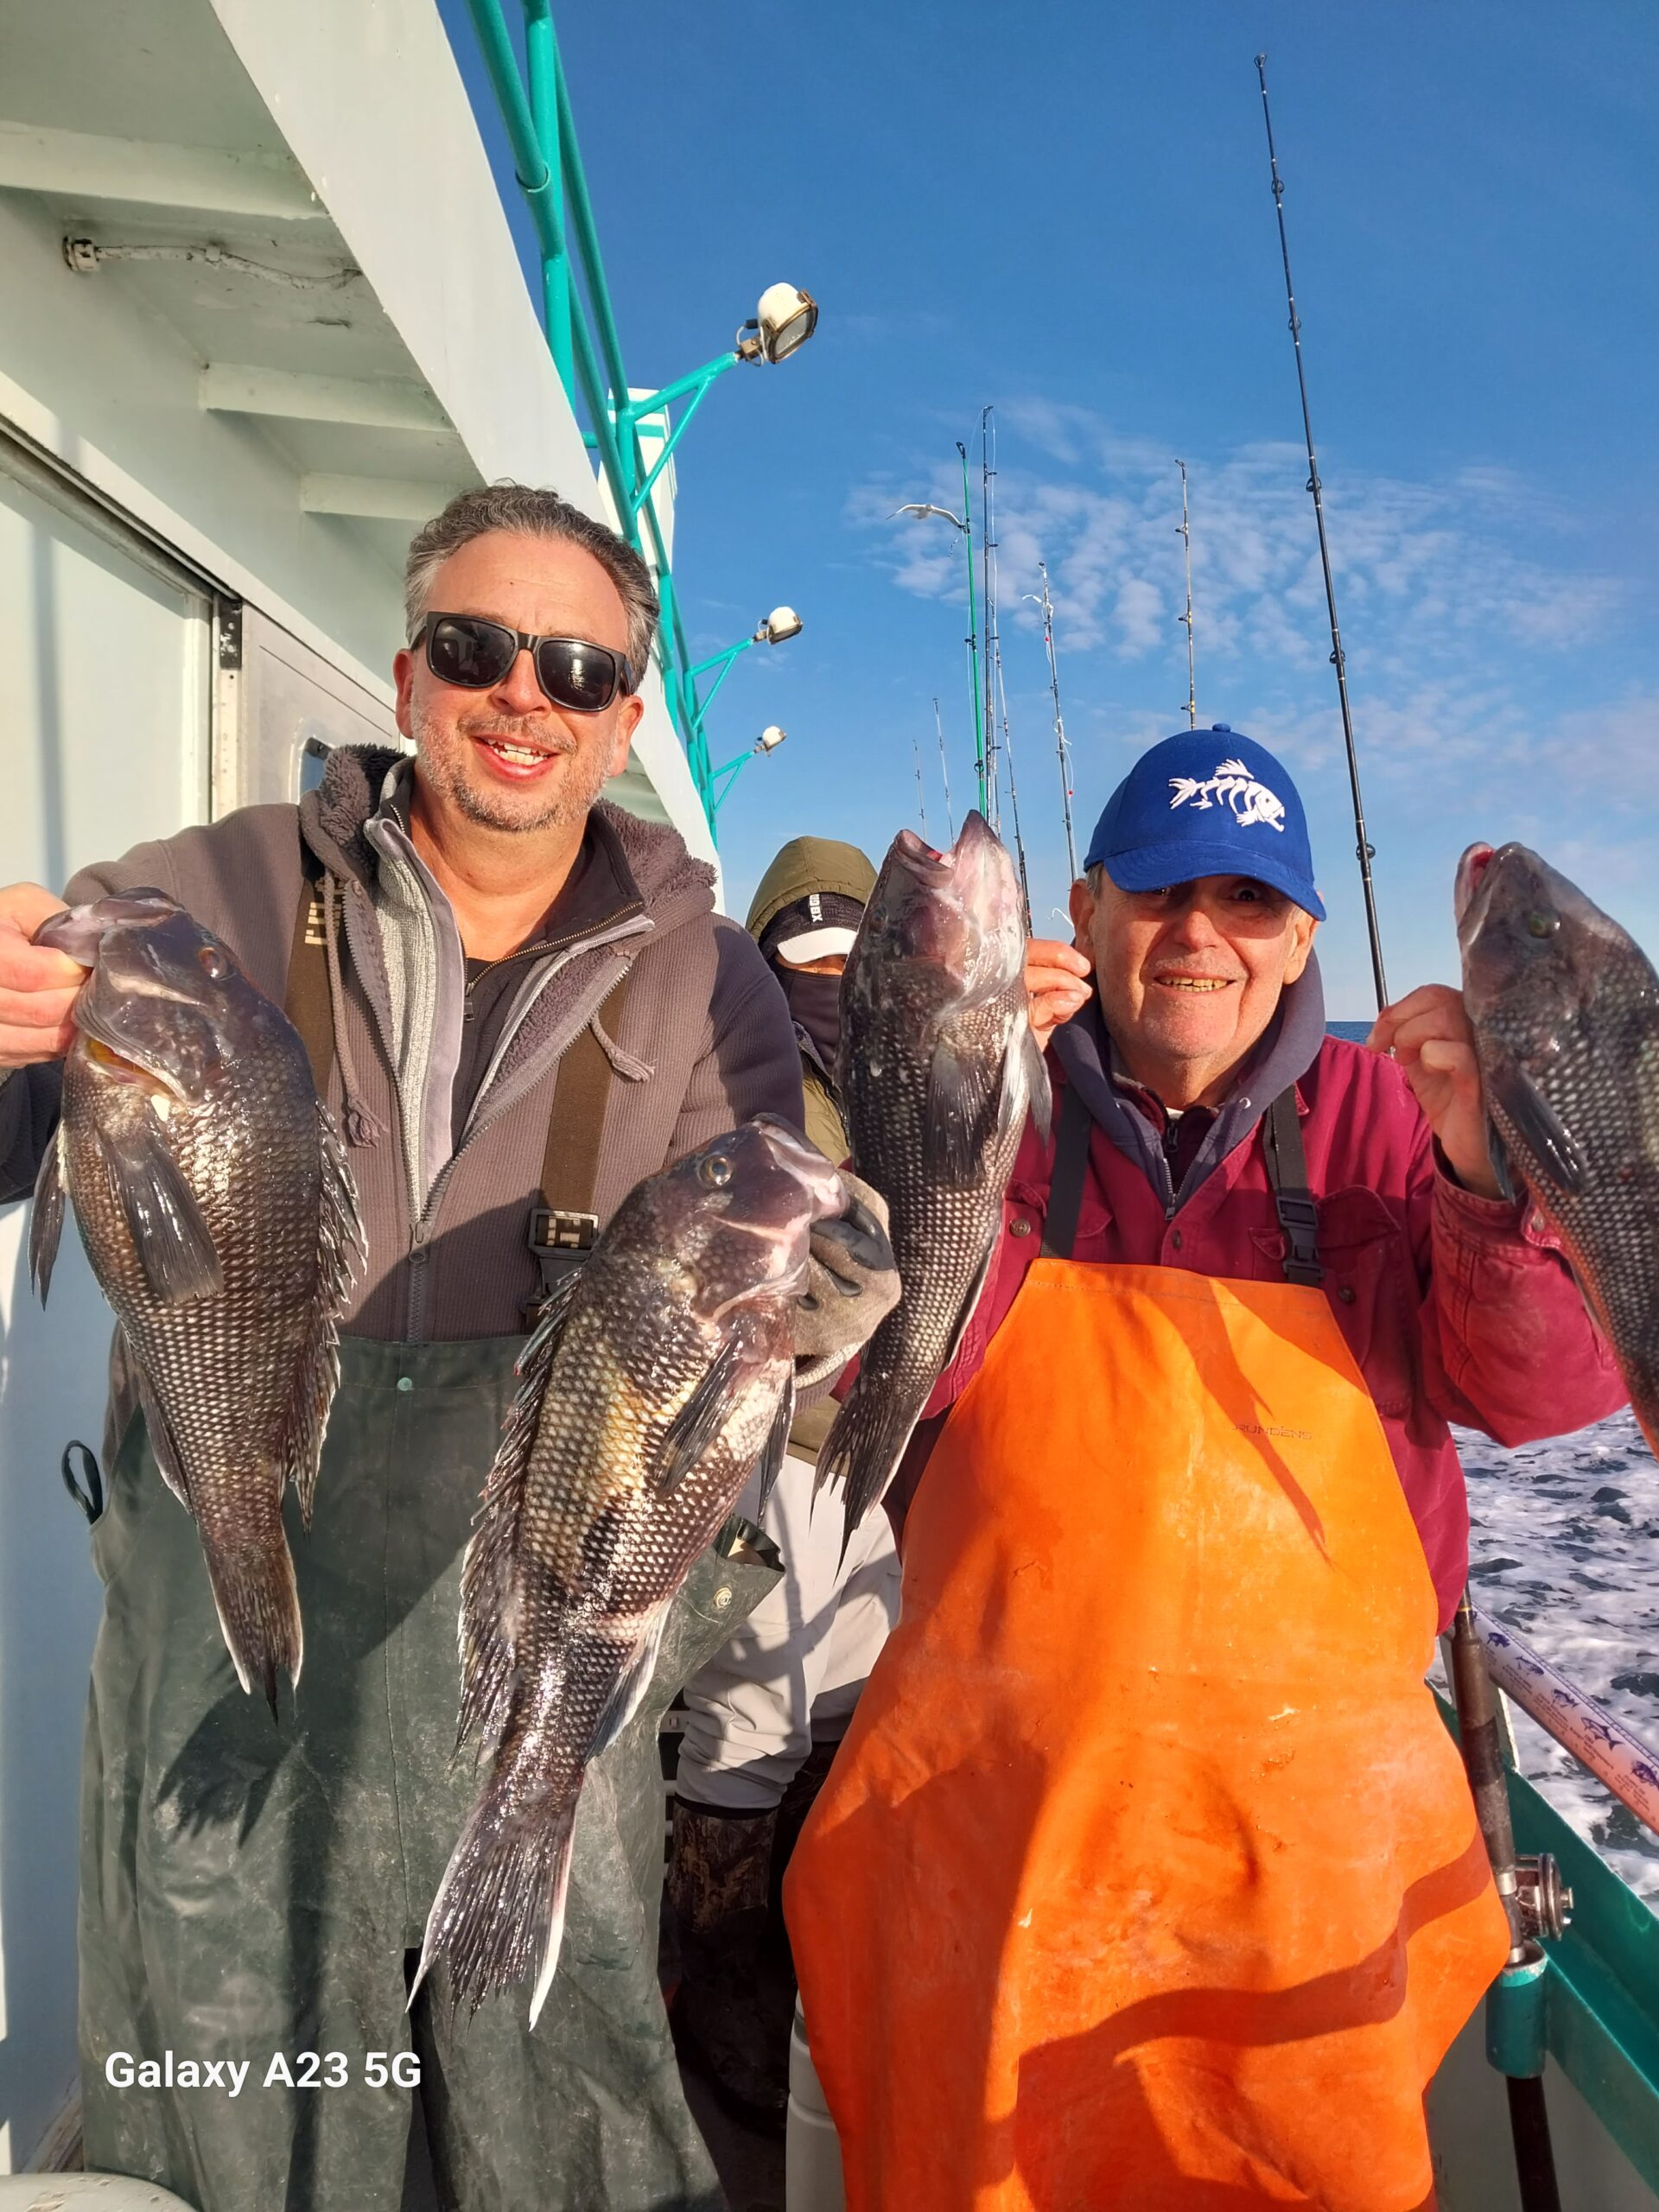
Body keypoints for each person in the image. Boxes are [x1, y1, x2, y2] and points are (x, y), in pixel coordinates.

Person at [0, 484, 897, 2212]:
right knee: (234, 2094)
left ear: (624, 721)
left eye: (578, 668)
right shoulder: (205, 891)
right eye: (478, 648)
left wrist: (834, 1296)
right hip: (221, 1643)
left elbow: (763, 1324)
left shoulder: (712, 983)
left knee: (556, 2107)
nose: (523, 695)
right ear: (410, 676)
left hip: (542, 1632)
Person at [785, 726, 1626, 2212]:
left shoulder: (1389, 1116)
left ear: (1301, 938)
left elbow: (1537, 1394)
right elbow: (879, 1379)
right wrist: (937, 1116)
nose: (1199, 935)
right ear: (1087, 909)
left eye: (1247, 900)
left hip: (1308, 1865)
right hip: (993, 1836)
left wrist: (1489, 1181)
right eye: (1161, 892)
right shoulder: (1002, 1102)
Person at [671, 839, 902, 2126]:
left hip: (896, 1447)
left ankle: (822, 1961)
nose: (826, 979)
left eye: (849, 956)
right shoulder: (732, 1079)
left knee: (861, 1706)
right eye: (798, 956)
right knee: (753, 1719)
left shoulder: (916, 1069)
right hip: (774, 1444)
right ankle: (726, 1994)